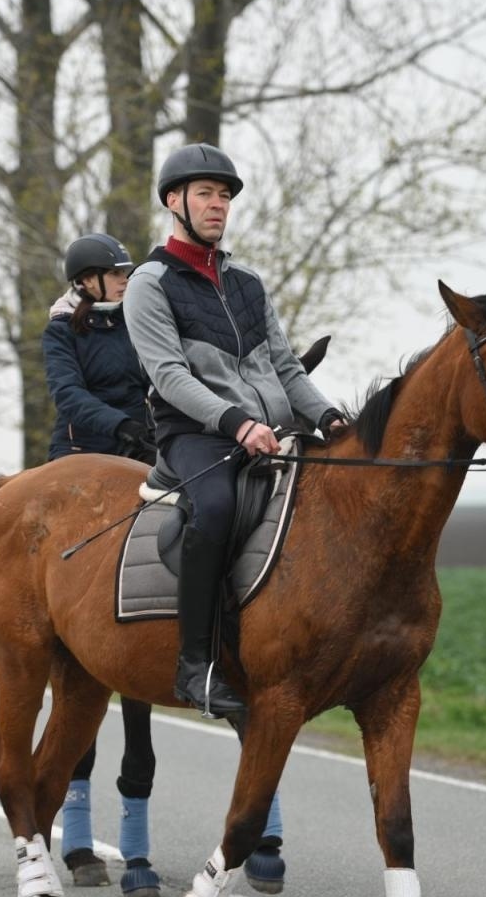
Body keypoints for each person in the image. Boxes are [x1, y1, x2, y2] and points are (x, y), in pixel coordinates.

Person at [0, 232, 181, 897]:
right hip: (81, 461)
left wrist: (161, 422)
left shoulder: (141, 322)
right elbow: (70, 397)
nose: (123, 280)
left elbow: (158, 381)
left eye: (124, 273)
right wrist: (122, 428)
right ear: (86, 280)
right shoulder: (62, 332)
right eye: (113, 274)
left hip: (144, 451)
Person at [124, 143, 346, 718]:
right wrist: (236, 421)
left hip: (269, 429)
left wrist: (328, 417)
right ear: (174, 201)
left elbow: (287, 369)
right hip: (196, 433)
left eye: (224, 196)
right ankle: (195, 666)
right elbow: (169, 375)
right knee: (216, 509)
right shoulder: (150, 283)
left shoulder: (248, 282)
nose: (218, 205)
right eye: (205, 194)